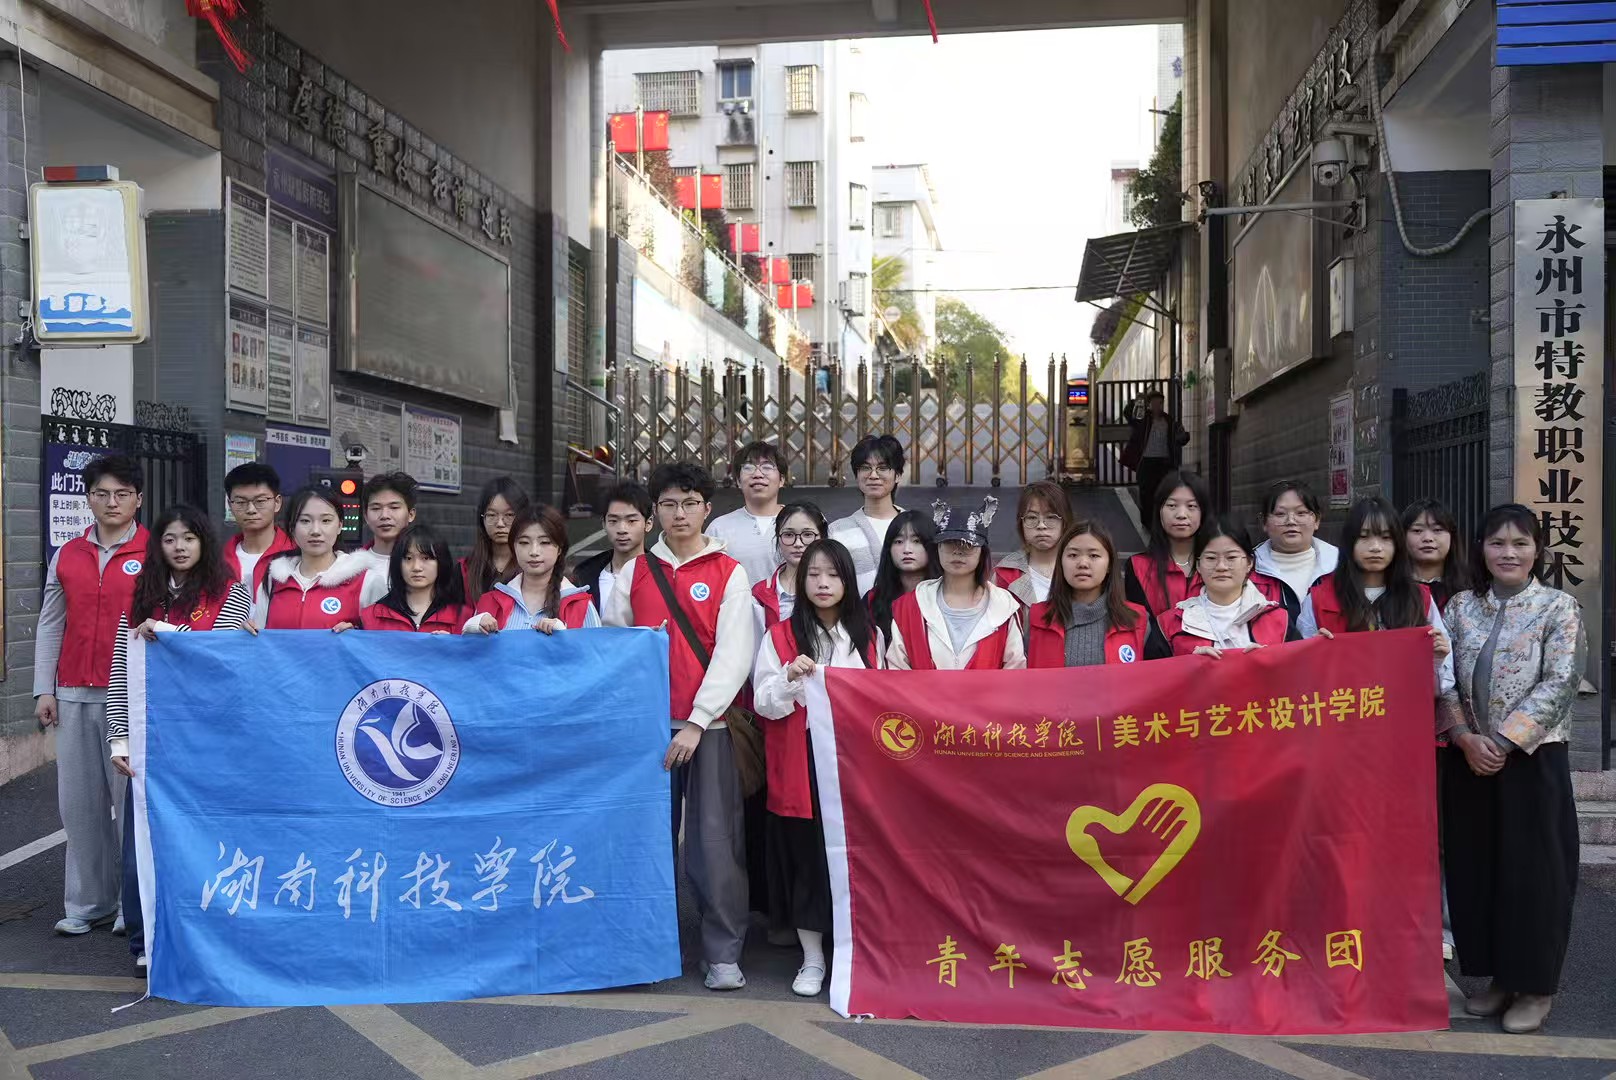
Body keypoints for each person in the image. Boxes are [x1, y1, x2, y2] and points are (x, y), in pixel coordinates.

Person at [604, 462, 755, 991]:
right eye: (668, 504)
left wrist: (697, 719)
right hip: (647, 730)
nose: (679, 513)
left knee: (714, 843)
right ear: (655, 513)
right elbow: (616, 647)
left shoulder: (729, 572)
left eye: (690, 503)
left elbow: (734, 655)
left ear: (707, 509)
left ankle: (722, 952)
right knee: (646, 838)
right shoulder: (634, 572)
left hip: (709, 729)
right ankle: (644, 947)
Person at [1438, 504, 1585, 1035]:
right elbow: (1443, 677)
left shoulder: (1558, 607)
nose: (1508, 553)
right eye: (1496, 543)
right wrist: (1463, 737)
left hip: (1531, 759)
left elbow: (1561, 681)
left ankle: (1536, 986)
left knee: (1535, 875)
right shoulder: (1460, 607)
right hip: (1470, 757)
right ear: (1480, 548)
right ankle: (1501, 978)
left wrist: (1502, 741)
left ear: (1537, 549)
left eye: (1520, 543)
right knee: (1480, 870)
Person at [105, 505, 252, 973]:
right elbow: (121, 668)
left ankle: (210, 941)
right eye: (169, 539)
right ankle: (145, 941)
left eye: (189, 537)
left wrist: (167, 632)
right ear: (158, 546)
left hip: (211, 742)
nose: (180, 547)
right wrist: (119, 738)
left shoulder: (231, 592)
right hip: (154, 742)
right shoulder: (143, 595)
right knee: (143, 845)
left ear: (205, 542)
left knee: (207, 842)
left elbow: (218, 656)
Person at [751, 539, 878, 998]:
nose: (823, 583)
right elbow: (763, 704)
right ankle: (812, 958)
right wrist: (788, 678)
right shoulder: (780, 636)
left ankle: (852, 950)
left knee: (855, 859)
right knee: (808, 859)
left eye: (833, 574)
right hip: (801, 761)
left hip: (855, 765)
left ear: (848, 581)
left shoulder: (869, 636)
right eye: (813, 574)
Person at [34, 454, 150, 937]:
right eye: (101, 493)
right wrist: (44, 689)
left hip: (132, 696)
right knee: (79, 806)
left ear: (138, 499)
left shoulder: (155, 552)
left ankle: (130, 904)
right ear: (88, 498)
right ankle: (88, 902)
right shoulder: (68, 554)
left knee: (130, 804)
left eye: (122, 494)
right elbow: (50, 623)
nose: (111, 502)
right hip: (73, 692)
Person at [1297, 496, 1454, 695]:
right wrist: (1313, 654)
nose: (1376, 547)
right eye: (1364, 537)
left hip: (1402, 709)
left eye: (1386, 538)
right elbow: (1300, 679)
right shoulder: (1319, 598)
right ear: (1349, 543)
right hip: (1343, 709)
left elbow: (1441, 688)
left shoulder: (1419, 598)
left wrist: (1437, 659)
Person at [887, 498, 1025, 670]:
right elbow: (896, 672)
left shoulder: (1004, 606)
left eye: (968, 544)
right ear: (937, 548)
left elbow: (1015, 671)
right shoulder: (910, 606)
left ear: (982, 551)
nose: (958, 551)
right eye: (949, 543)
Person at [1158, 516, 1298, 656]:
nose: (1221, 566)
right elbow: (1155, 669)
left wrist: (1267, 662)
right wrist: (1191, 664)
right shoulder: (1170, 623)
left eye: (1231, 557)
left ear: (1249, 563)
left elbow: (1299, 665)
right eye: (1211, 558)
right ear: (1198, 565)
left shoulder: (1279, 620)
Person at [1027, 521, 1162, 667]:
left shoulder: (1137, 620)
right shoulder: (1036, 619)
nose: (1083, 563)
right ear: (1060, 562)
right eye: (1073, 555)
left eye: (1094, 555)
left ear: (1109, 564)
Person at [251, 487, 387, 629]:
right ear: (292, 528)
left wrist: (356, 635)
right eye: (305, 521)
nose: (315, 531)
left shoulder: (366, 581)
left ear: (340, 526)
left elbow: (383, 638)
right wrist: (247, 633)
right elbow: (260, 637)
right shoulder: (273, 579)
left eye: (326, 520)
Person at [465, 505, 600, 632]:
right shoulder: (491, 602)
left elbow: (595, 649)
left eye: (545, 542)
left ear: (559, 548)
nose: (534, 552)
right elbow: (473, 649)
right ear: (514, 547)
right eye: (524, 542)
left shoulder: (581, 606)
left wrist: (564, 638)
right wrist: (472, 631)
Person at [341, 524, 469, 633]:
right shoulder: (371, 616)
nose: (416, 567)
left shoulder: (463, 617)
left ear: (441, 561)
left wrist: (453, 648)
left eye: (426, 558)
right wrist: (350, 635)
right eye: (408, 558)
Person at [1123, 470, 1211, 622]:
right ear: (1159, 511)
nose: (1181, 514)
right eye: (1172, 505)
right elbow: (1139, 627)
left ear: (1203, 512)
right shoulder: (1138, 567)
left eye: (1191, 506)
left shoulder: (1219, 565)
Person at [829, 434, 906, 595]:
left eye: (882, 468)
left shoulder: (913, 526)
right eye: (865, 468)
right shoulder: (836, 531)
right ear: (857, 475)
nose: (873, 475)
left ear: (898, 475)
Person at [707, 441, 788, 590]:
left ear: (781, 480)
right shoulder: (719, 528)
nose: (757, 474)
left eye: (767, 467)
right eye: (749, 467)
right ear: (738, 481)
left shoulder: (805, 523)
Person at [1253, 480, 1339, 617]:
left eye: (1301, 513)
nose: (1291, 521)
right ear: (1264, 522)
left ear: (1317, 520)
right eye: (1280, 514)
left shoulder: (1340, 564)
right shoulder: (1247, 568)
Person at [573, 481, 654, 614]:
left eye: (631, 521)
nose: (622, 529)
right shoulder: (584, 576)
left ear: (648, 523)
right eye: (613, 521)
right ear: (604, 524)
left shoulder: (663, 575)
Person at [752, 502, 827, 640]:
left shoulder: (837, 586)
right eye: (788, 535)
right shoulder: (760, 593)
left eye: (807, 534)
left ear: (822, 537)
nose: (798, 543)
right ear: (778, 538)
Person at [221, 462, 295, 597]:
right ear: (229, 505)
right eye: (241, 502)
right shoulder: (218, 560)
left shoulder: (297, 555)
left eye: (260, 501)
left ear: (277, 503)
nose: (251, 510)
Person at [992, 480, 1071, 608]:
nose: (1041, 525)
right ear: (1021, 523)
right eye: (1032, 517)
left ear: (1064, 523)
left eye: (1051, 517)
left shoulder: (1081, 569)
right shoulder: (1004, 574)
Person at [867, 510, 941, 642]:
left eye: (917, 541)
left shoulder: (946, 596)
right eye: (899, 541)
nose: (907, 549)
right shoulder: (873, 600)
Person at [461, 477, 532, 606]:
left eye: (509, 515)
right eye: (492, 515)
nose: (500, 523)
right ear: (482, 518)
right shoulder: (464, 569)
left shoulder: (534, 565)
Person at [1120, 390, 1188, 514]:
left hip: (1164, 462)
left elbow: (1180, 437)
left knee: (1163, 493)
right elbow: (1128, 414)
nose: (1158, 407)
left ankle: (1160, 518)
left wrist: (1183, 436)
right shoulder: (1143, 419)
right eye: (1155, 403)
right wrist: (1136, 402)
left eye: (1160, 403)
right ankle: (1147, 519)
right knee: (1146, 494)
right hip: (1146, 461)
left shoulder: (1169, 420)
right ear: (1149, 405)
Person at [1404, 498, 1471, 613]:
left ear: (1452, 536)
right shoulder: (1389, 590)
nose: (1428, 538)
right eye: (1417, 530)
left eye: (1437, 530)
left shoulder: (1471, 590)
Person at [356, 472, 420, 575]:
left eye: (394, 507)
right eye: (376, 508)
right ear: (366, 516)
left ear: (411, 514)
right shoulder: (351, 567)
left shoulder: (426, 565)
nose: (384, 515)